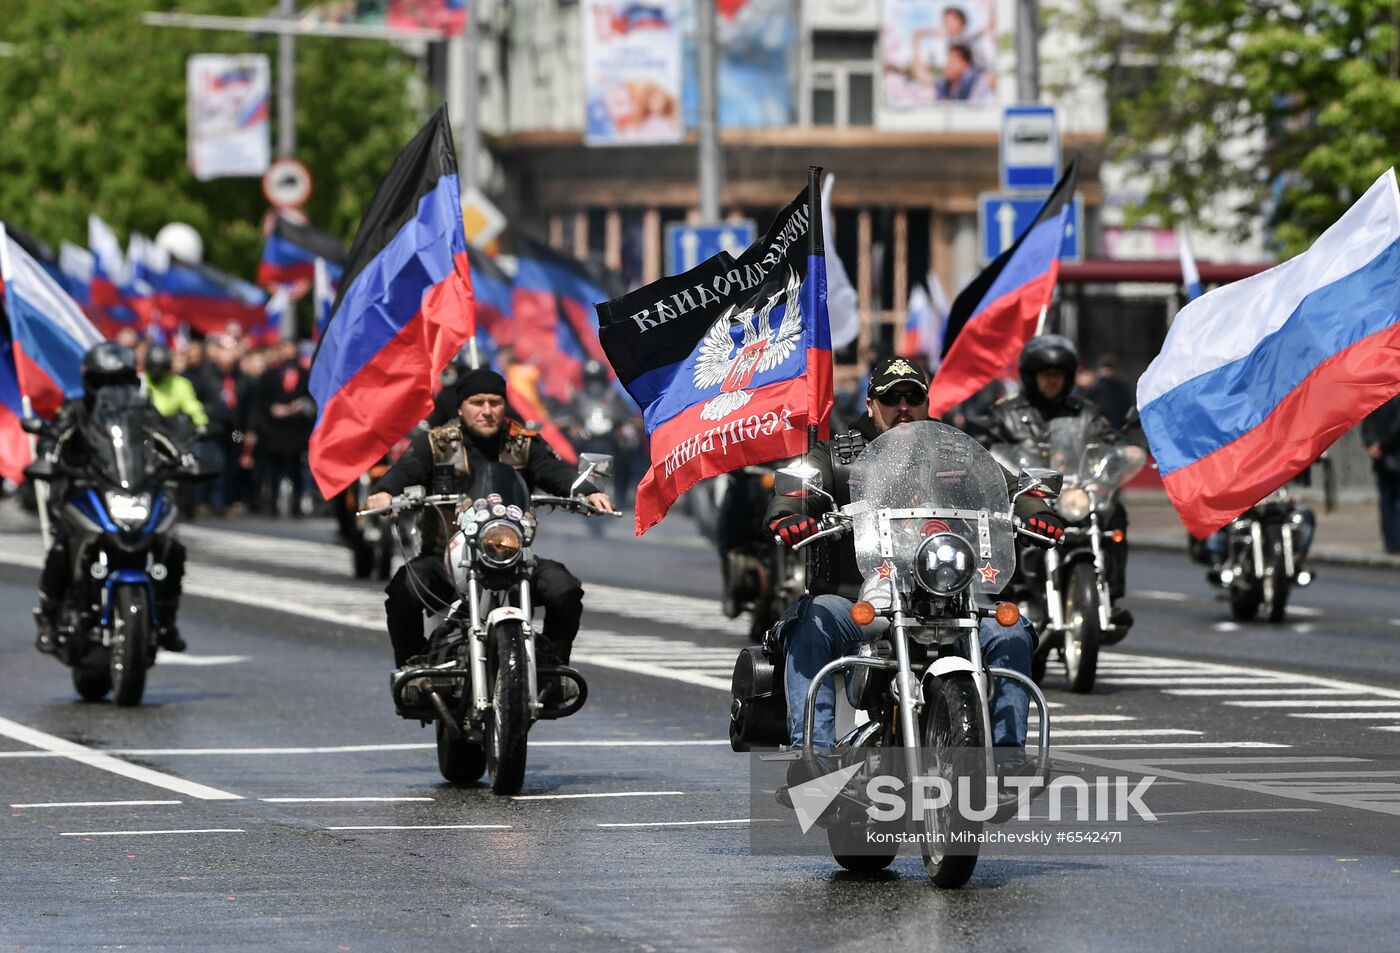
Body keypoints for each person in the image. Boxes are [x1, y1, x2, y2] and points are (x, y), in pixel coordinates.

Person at [765, 357, 1064, 760]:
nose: (903, 406)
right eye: (891, 397)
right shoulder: (837, 456)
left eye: (913, 396)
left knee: (1011, 631)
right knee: (811, 623)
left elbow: (1010, 489)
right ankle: (813, 756)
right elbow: (797, 488)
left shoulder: (956, 454)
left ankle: (1008, 758)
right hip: (858, 601)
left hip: (949, 595)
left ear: (927, 401)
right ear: (871, 404)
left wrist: (1037, 514)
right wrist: (790, 513)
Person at [365, 369, 618, 687]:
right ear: (460, 408)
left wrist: (587, 491)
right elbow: (408, 468)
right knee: (403, 589)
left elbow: (552, 469)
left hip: (511, 555)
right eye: (477, 402)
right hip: (447, 557)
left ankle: (553, 669)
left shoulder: (523, 442)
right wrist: (385, 491)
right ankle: (413, 670)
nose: (487, 410)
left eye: (495, 402)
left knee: (565, 588)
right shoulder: (438, 443)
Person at [32, 343, 189, 654]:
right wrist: (48, 457)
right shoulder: (75, 407)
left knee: (174, 548)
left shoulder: (142, 409)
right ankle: (48, 619)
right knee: (62, 547)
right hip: (86, 489)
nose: (112, 389)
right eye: (105, 381)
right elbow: (53, 435)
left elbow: (166, 435)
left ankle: (167, 618)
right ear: (90, 381)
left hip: (131, 488)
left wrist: (186, 458)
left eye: (119, 380)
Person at [981, 335, 1132, 624]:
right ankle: (1012, 594)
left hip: (1072, 494)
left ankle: (1111, 594)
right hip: (1028, 496)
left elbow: (1108, 440)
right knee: (1002, 522)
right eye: (1046, 374)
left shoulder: (1085, 412)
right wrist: (987, 450)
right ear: (1031, 376)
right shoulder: (1007, 412)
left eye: (1058, 375)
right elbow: (989, 444)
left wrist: (1124, 449)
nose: (1052, 381)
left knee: (1113, 512)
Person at [254, 340, 314, 518]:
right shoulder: (269, 375)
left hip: (295, 432)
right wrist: (273, 409)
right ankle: (271, 505)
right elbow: (260, 402)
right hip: (274, 432)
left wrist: (300, 407)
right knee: (273, 472)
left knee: (296, 472)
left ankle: (296, 506)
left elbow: (312, 400)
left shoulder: (305, 374)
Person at [1362, 394, 1400, 553]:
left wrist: (1373, 444)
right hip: (1394, 454)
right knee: (1394, 500)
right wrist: (1381, 445)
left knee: (1386, 500)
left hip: (1382, 457)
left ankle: (1391, 541)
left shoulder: (1376, 397)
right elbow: (1396, 427)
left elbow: (1367, 425)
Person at [143, 344, 208, 429]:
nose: (156, 371)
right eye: (153, 367)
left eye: (160, 367)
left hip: (171, 432)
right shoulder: (140, 382)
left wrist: (201, 423)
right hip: (145, 430)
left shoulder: (180, 384)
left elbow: (191, 406)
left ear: (167, 367)